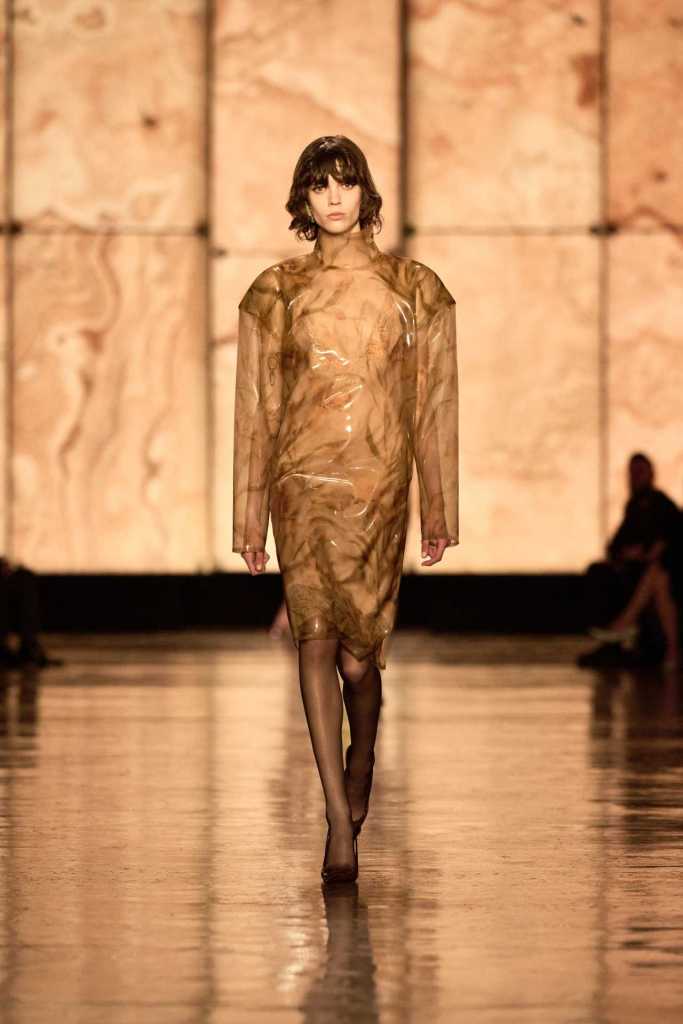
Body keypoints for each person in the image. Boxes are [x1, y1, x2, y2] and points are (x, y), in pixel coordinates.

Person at [232, 136, 458, 884]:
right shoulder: (276, 291)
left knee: (360, 661)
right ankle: (335, 817)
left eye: (346, 182)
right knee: (314, 640)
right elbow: (258, 409)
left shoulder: (414, 287)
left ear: (366, 193)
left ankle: (363, 758)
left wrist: (436, 505)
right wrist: (249, 513)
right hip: (300, 481)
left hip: (377, 485)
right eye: (319, 184)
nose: (333, 197)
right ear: (302, 198)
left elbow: (433, 404)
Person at [580, 453, 682, 669]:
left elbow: (668, 540)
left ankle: (624, 625)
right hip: (640, 571)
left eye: (640, 472)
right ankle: (623, 637)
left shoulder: (662, 505)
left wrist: (644, 553)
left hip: (664, 569)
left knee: (659, 576)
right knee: (602, 573)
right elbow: (616, 544)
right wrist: (626, 554)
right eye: (632, 473)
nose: (635, 477)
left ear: (651, 474)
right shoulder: (634, 506)